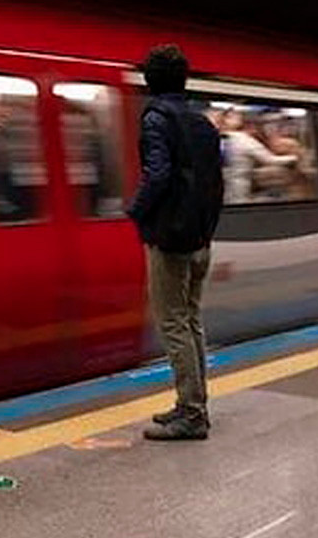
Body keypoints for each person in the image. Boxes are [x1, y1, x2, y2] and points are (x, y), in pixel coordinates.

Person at [127, 44, 223, 441]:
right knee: (192, 318)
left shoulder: (155, 118)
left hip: (170, 237)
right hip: (201, 235)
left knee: (172, 321)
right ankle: (195, 401)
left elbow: (159, 174)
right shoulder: (202, 122)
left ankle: (192, 412)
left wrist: (136, 209)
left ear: (150, 81)